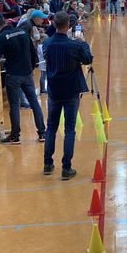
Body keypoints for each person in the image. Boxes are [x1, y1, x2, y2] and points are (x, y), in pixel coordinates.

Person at [42, 11, 92, 180]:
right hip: (71, 91)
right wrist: (83, 42)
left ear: (54, 24)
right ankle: (66, 167)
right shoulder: (74, 45)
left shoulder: (47, 43)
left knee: (51, 128)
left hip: (54, 90)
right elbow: (87, 59)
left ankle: (47, 164)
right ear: (68, 26)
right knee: (69, 129)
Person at [0, 14, 46, 144]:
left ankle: (15, 136)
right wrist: (31, 68)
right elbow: (33, 53)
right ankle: (42, 133)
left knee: (14, 106)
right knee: (34, 103)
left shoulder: (2, 37)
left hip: (13, 76)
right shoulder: (23, 32)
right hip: (27, 74)